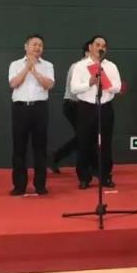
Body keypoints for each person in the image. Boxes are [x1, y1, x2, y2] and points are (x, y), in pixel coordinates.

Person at [70, 35, 122, 188]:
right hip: (86, 108)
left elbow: (118, 87)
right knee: (84, 142)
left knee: (105, 143)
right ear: (90, 47)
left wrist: (106, 85)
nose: (101, 48)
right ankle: (84, 177)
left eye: (103, 46)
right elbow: (74, 88)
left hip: (105, 107)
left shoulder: (111, 66)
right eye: (97, 44)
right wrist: (89, 83)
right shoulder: (80, 66)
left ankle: (105, 176)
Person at [8, 34, 55, 195]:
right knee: (19, 148)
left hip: (39, 108)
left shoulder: (47, 65)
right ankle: (19, 186)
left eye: (40, 45)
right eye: (34, 44)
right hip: (20, 108)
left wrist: (35, 72)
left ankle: (40, 185)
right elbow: (14, 83)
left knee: (40, 148)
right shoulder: (15, 64)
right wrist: (26, 68)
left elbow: (49, 85)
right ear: (26, 46)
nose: (37, 47)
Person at [51, 42, 89, 174]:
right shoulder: (77, 67)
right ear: (87, 52)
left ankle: (55, 157)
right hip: (73, 105)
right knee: (84, 137)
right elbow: (75, 90)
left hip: (84, 107)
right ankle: (55, 157)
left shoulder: (96, 68)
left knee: (84, 137)